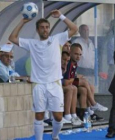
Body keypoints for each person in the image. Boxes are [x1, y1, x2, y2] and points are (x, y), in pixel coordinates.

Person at [9, 10, 78, 140]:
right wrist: (22, 21)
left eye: (47, 27)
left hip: (55, 83)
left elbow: (74, 28)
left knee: (58, 116)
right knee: (39, 115)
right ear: (38, 30)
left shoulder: (57, 39)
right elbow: (12, 38)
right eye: (42, 28)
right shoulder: (32, 43)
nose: (45, 30)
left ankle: (55, 135)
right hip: (39, 84)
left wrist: (61, 16)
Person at [63, 43, 108, 121]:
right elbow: (66, 81)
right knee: (84, 82)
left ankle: (85, 113)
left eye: (80, 55)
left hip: (70, 83)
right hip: (65, 84)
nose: (78, 56)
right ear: (70, 52)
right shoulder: (69, 63)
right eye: (76, 54)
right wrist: (76, 77)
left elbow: (71, 77)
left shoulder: (75, 63)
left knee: (86, 89)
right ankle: (93, 104)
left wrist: (76, 77)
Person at [61, 51, 82, 125]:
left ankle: (73, 114)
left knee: (74, 88)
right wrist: (75, 78)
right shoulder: (58, 66)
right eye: (64, 60)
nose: (65, 62)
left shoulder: (67, 66)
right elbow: (65, 82)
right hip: (53, 87)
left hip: (60, 86)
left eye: (67, 60)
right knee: (70, 88)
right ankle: (67, 115)